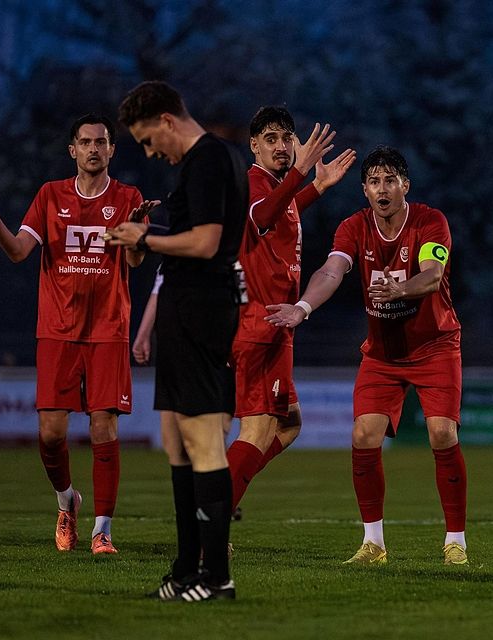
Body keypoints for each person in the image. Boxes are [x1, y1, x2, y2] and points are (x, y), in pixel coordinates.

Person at [0, 113, 155, 555]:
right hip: (57, 330)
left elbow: (137, 263)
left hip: (108, 329)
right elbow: (17, 252)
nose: (93, 149)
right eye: (85, 142)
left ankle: (103, 530)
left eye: (101, 142)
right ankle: (68, 501)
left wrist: (138, 234)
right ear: (72, 150)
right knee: (50, 433)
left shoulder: (128, 197)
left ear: (111, 150)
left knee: (104, 428)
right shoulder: (50, 196)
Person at [265, 145, 468, 566]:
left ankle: (456, 542)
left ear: (404, 185)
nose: (382, 188)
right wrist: (302, 308)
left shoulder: (431, 221)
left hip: (435, 346)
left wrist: (401, 289)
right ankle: (373, 544)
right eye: (374, 181)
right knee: (363, 435)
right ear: (364, 189)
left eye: (390, 180)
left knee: (442, 434)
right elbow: (331, 271)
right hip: (382, 354)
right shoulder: (354, 227)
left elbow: (432, 276)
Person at [110, 80, 248, 602]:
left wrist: (144, 236)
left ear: (167, 121)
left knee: (201, 438)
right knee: (175, 439)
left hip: (201, 310)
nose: (150, 152)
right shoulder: (198, 166)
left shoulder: (210, 158)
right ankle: (186, 570)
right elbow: (185, 234)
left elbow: (208, 240)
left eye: (148, 140)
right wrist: (142, 233)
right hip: (183, 308)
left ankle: (218, 578)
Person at [226, 106, 355, 511]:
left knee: (290, 423)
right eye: (270, 139)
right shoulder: (253, 183)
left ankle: (224, 490)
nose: (281, 147)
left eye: (286, 138)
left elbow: (283, 211)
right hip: (262, 325)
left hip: (275, 325)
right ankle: (213, 509)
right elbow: (264, 216)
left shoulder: (277, 188)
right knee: (258, 429)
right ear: (253, 146)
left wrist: (317, 186)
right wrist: (300, 174)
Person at [133, 266, 241, 521]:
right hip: (176, 352)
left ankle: (213, 518)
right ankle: (196, 528)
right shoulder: (172, 247)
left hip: (214, 352)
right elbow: (159, 288)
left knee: (216, 434)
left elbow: (240, 296)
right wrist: (144, 333)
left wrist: (228, 342)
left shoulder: (225, 246)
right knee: (177, 447)